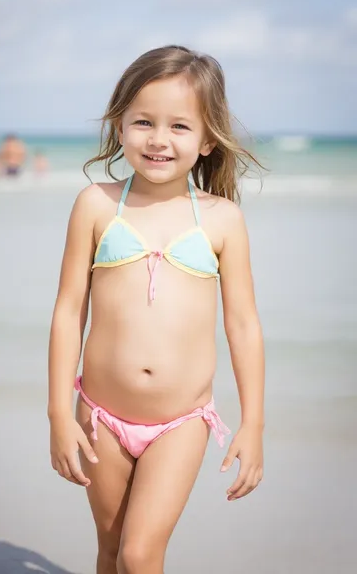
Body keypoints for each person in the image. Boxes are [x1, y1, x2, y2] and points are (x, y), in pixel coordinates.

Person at [48, 45, 265, 574]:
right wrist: (59, 412)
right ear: (120, 125)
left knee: (141, 554)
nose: (159, 139)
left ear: (208, 139)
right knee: (110, 547)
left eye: (179, 127)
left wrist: (253, 423)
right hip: (99, 413)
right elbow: (68, 311)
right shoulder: (96, 205)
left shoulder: (222, 219)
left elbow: (242, 325)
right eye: (143, 122)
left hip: (181, 421)